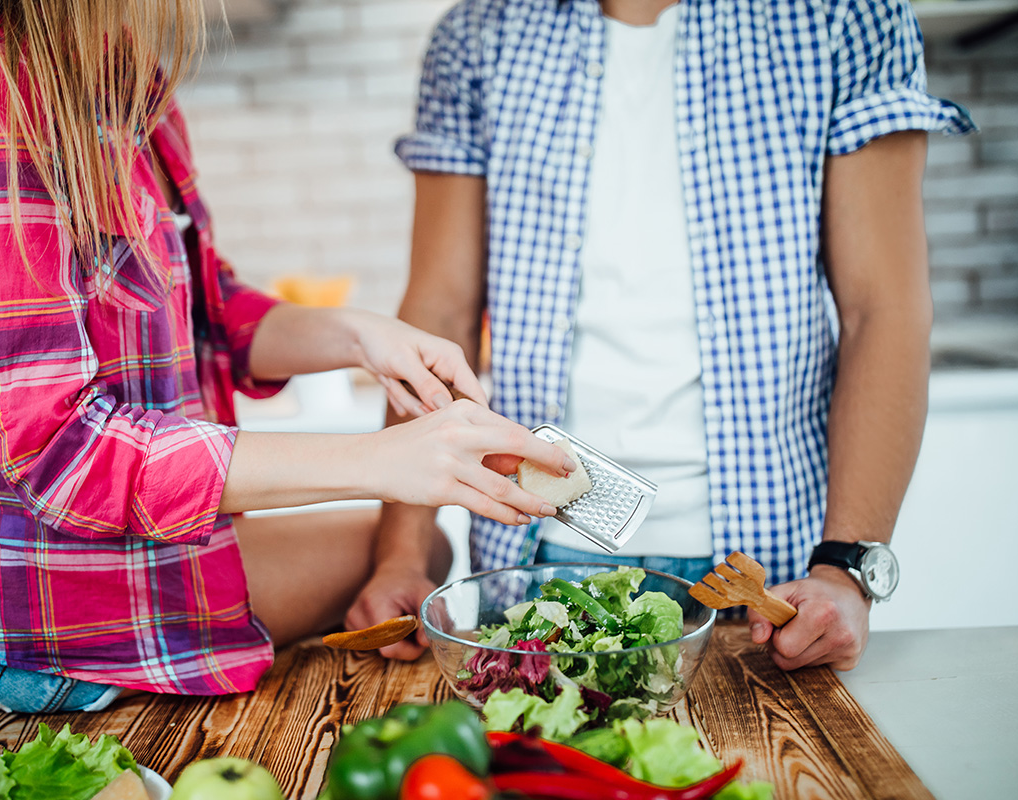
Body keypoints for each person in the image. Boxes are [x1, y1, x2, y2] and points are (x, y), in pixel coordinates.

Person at [0, 0, 578, 713]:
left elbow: (203, 309)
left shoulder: (117, 64)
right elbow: (61, 452)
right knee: (419, 556)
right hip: (20, 621)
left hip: (89, 559)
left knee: (417, 557)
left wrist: (360, 336)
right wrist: (380, 458)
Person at [345, 0, 975, 671]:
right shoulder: (476, 34)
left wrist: (847, 568)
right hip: (534, 559)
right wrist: (402, 557)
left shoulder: (848, 16)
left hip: (766, 580)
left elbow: (882, 309)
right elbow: (439, 314)